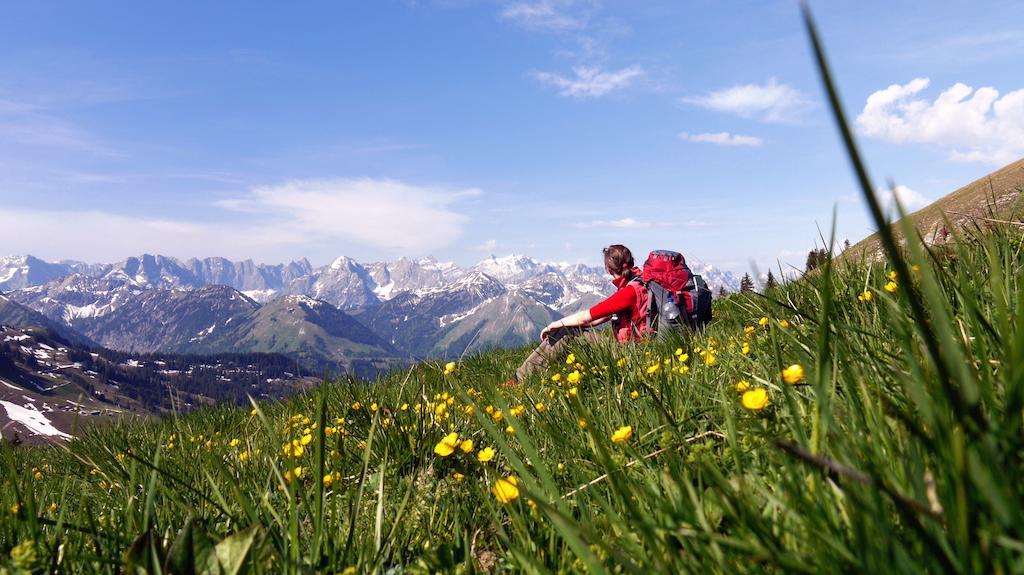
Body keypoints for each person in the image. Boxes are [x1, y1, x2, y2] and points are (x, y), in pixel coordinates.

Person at [513, 244, 647, 383]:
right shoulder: (640, 282)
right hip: (640, 350)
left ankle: (520, 379)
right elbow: (599, 318)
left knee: (566, 333)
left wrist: (555, 325)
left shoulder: (628, 292)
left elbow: (586, 317)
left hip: (629, 354)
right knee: (569, 330)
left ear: (609, 269)